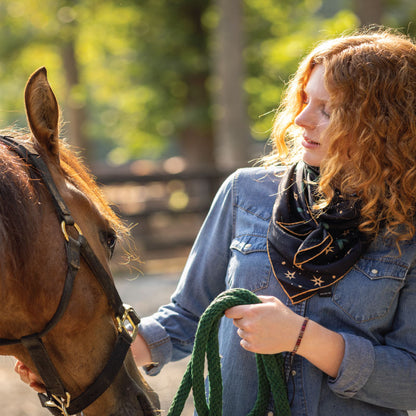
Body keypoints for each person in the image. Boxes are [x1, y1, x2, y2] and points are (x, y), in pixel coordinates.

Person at [17, 28, 416, 415]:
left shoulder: (408, 231)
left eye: (327, 110)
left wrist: (303, 338)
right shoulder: (245, 194)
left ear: (381, 125)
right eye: (305, 100)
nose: (301, 120)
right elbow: (189, 316)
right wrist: (78, 360)